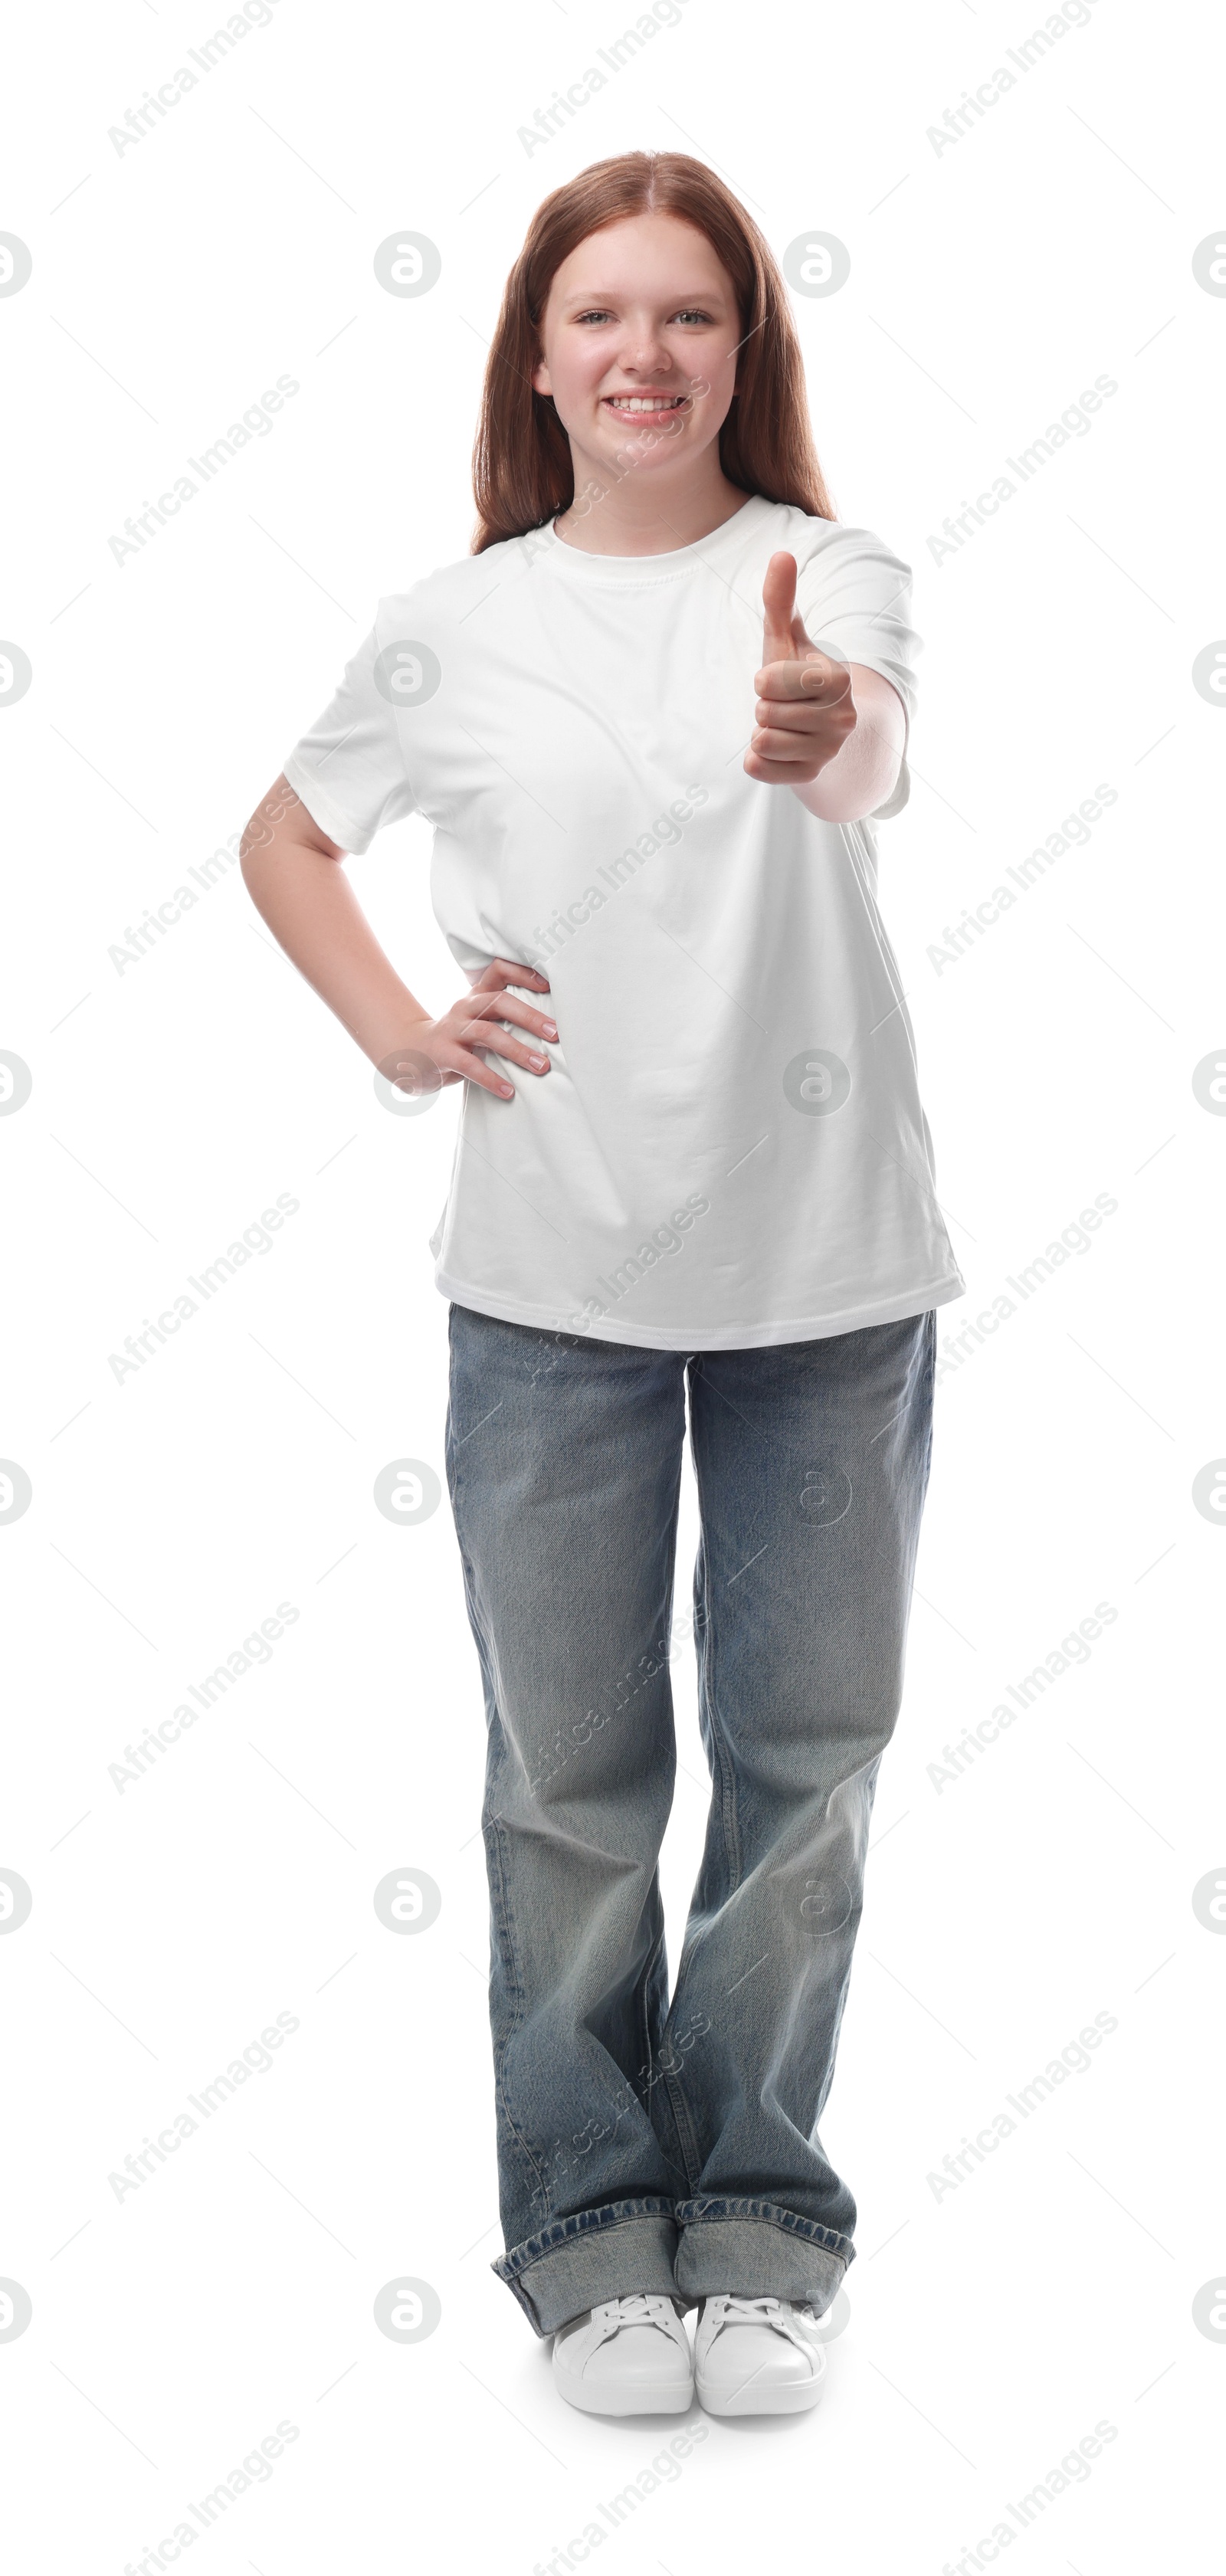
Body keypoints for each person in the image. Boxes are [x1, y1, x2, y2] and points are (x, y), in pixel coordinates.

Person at [241, 149, 965, 2422]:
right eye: (601, 316)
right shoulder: (451, 621)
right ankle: (583, 2214)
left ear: (746, 348)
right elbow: (286, 831)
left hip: (829, 1270)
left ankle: (755, 2214)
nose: (645, 353)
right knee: (569, 1777)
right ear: (536, 356)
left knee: (804, 1759)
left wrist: (810, 731)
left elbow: (866, 749)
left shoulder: (822, 573)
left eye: (692, 315)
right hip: (548, 1278)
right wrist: (397, 1028)